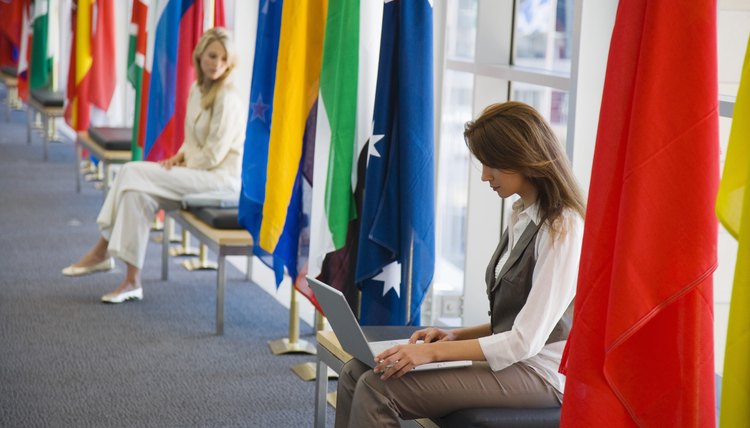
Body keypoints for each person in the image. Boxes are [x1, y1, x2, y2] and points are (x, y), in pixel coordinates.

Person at [334, 102, 586, 427]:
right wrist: (455, 337)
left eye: (490, 164)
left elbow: (526, 339)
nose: (484, 176)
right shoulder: (522, 213)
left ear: (520, 155)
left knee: (379, 388)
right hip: (515, 362)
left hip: (541, 373)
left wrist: (431, 354)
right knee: (356, 371)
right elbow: (510, 323)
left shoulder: (562, 228)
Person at [62, 27, 246, 304]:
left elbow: (213, 155)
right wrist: (179, 157)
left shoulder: (228, 98)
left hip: (219, 180)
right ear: (200, 55)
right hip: (198, 171)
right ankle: (132, 281)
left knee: (130, 170)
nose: (217, 64)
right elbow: (194, 138)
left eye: (223, 59)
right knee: (138, 195)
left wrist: (183, 166)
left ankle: (101, 250)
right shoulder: (198, 89)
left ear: (230, 63)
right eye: (212, 56)